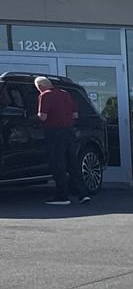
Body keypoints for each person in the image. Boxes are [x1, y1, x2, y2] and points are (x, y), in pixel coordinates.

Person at [36, 76, 86, 205]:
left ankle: (62, 196)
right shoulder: (65, 93)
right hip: (69, 131)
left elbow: (43, 116)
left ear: (40, 87)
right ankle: (83, 194)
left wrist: (35, 116)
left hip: (54, 132)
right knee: (72, 163)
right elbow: (75, 114)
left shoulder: (45, 95)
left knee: (58, 164)